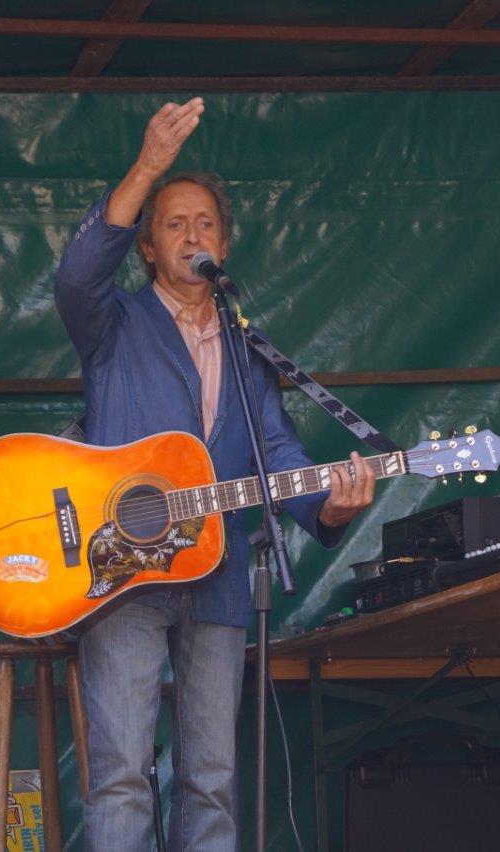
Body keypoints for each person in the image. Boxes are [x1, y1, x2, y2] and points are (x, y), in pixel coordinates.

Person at [54, 97, 375, 851]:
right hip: (124, 576)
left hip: (221, 574)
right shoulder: (115, 325)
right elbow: (74, 278)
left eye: (205, 224)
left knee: (213, 781)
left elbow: (277, 452)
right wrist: (147, 169)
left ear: (223, 243)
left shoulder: (246, 345)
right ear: (146, 249)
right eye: (174, 224)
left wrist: (329, 511)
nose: (192, 235)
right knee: (122, 775)